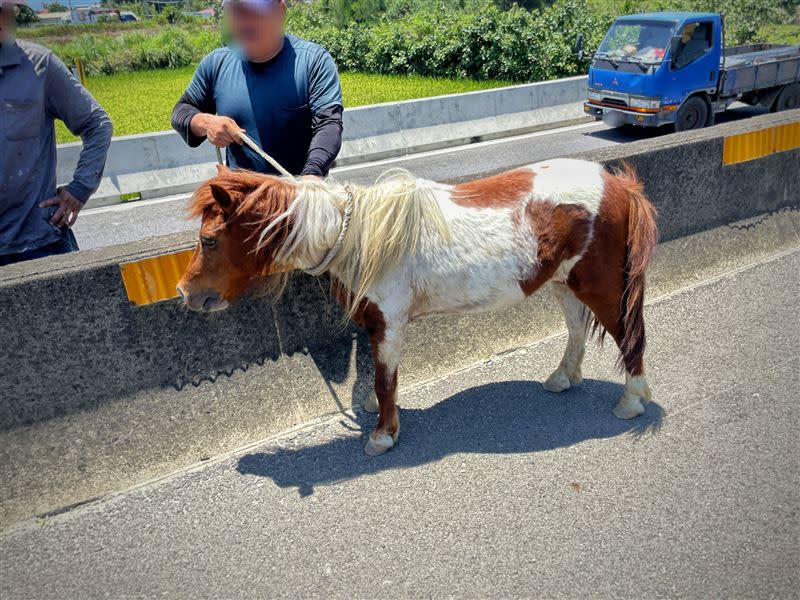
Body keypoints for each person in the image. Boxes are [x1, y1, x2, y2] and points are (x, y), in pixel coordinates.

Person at [171, 0, 343, 179]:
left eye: (253, 11)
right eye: (236, 12)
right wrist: (206, 123)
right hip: (242, 200)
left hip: (299, 197)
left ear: (281, 11)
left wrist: (311, 175)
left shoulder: (312, 61)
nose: (245, 22)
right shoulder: (216, 64)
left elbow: (328, 125)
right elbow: (182, 111)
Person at [0, 0, 112, 266]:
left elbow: (97, 124)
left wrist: (80, 188)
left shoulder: (39, 66)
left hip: (37, 243)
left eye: (6, 12)